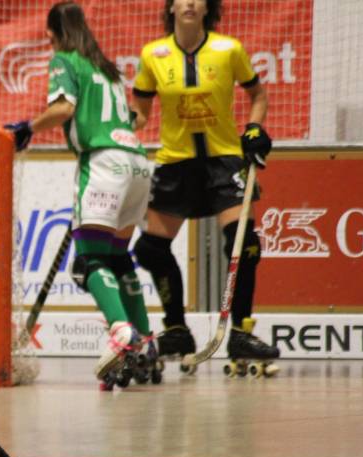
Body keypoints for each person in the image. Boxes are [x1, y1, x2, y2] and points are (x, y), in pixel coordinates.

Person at [6, 1, 159, 388]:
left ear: (53, 32)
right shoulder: (106, 69)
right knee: (119, 259)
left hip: (104, 163)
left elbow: (63, 107)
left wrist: (27, 128)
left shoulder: (65, 60)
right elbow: (136, 118)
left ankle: (122, 332)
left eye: (47, 32)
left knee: (90, 261)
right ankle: (146, 343)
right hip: (138, 162)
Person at [130, 0, 279, 364]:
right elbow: (140, 111)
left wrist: (255, 128)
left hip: (223, 161)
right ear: (170, 7)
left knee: (244, 244)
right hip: (175, 163)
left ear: (207, 7)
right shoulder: (153, 54)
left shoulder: (229, 49)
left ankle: (241, 334)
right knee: (150, 249)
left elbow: (257, 95)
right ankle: (177, 330)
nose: (190, 3)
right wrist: (115, 130)